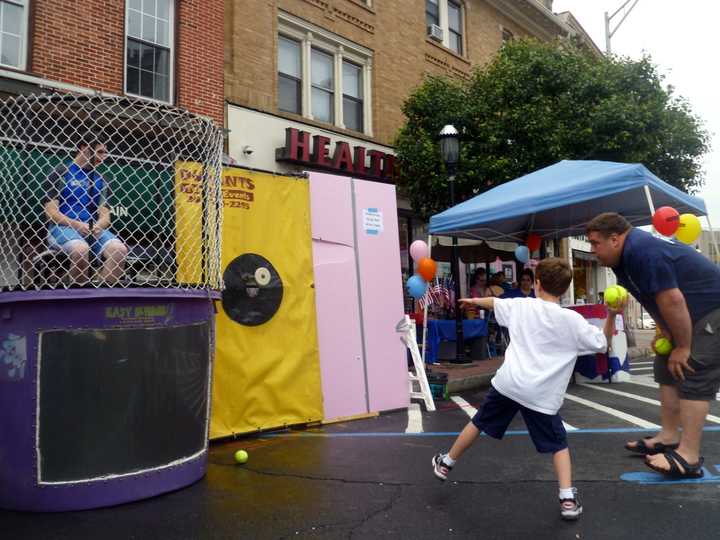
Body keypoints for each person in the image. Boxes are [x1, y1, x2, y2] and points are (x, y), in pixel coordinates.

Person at [431, 258, 619, 521]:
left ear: (537, 283)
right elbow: (602, 344)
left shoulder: (522, 305)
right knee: (557, 443)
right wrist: (611, 314)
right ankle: (567, 498)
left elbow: (494, 303)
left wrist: (473, 302)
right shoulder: (573, 321)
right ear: (564, 289)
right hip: (541, 395)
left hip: (509, 383)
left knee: (479, 421)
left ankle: (446, 463)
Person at [587, 212, 720, 478]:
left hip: (711, 311)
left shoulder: (643, 251)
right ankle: (669, 437)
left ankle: (688, 456)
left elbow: (672, 300)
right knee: (664, 366)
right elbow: (651, 298)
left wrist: (683, 346)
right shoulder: (621, 260)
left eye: (594, 243)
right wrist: (666, 331)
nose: (592, 251)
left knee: (691, 369)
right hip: (686, 315)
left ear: (614, 239)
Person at [44, 140, 128, 285]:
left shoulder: (102, 180)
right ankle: (78, 299)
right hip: (62, 228)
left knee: (119, 250)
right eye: (100, 152)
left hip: (92, 230)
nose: (103, 157)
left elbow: (105, 217)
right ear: (84, 148)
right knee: (81, 250)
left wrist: (97, 226)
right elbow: (51, 213)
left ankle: (99, 298)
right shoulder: (61, 172)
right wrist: (77, 225)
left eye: (105, 153)